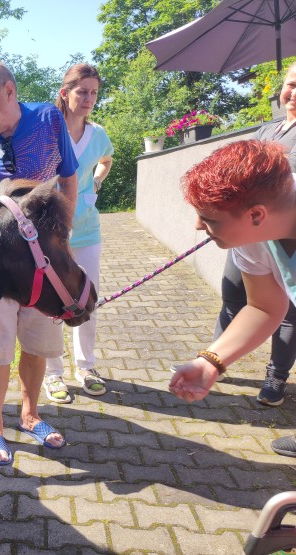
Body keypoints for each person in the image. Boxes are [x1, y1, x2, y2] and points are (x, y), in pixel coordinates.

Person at [0, 53, 79, 465]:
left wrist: (63, 236)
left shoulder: (49, 120)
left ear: (9, 91)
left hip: (43, 267)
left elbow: (70, 176)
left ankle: (30, 414)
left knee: (38, 341)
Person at [169, 139, 296, 458]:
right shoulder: (255, 231)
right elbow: (265, 306)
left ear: (256, 214)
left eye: (209, 219)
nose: (199, 227)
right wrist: (211, 361)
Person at [213, 62, 296, 408]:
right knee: (234, 292)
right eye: (291, 83)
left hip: (285, 238)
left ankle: (277, 376)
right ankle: (218, 356)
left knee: (289, 311)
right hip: (252, 235)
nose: (294, 93)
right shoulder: (268, 131)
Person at [43, 63, 114, 404]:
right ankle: (52, 372)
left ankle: (86, 366)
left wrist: (96, 181)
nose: (88, 99)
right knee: (51, 301)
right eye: (82, 91)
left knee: (87, 298)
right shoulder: (46, 130)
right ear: (65, 93)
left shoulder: (98, 134)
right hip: (49, 234)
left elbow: (107, 159)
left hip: (86, 229)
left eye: (94, 93)